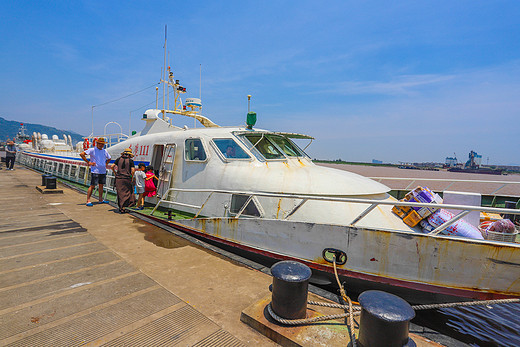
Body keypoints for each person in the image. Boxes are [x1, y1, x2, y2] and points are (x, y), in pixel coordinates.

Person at [79, 137, 111, 206]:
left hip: (103, 171)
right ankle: (88, 200)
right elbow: (82, 154)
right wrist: (89, 162)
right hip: (95, 171)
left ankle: (100, 199)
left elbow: (109, 158)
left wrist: (106, 164)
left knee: (101, 185)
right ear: (97, 143)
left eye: (102, 144)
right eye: (100, 144)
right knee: (92, 186)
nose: (101, 145)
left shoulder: (104, 151)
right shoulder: (92, 150)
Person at [111, 148, 136, 213]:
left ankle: (121, 207)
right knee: (127, 192)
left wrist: (115, 173)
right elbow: (133, 170)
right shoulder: (130, 161)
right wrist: (131, 176)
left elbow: (112, 166)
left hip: (119, 178)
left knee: (120, 193)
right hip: (127, 178)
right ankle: (124, 207)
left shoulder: (118, 159)